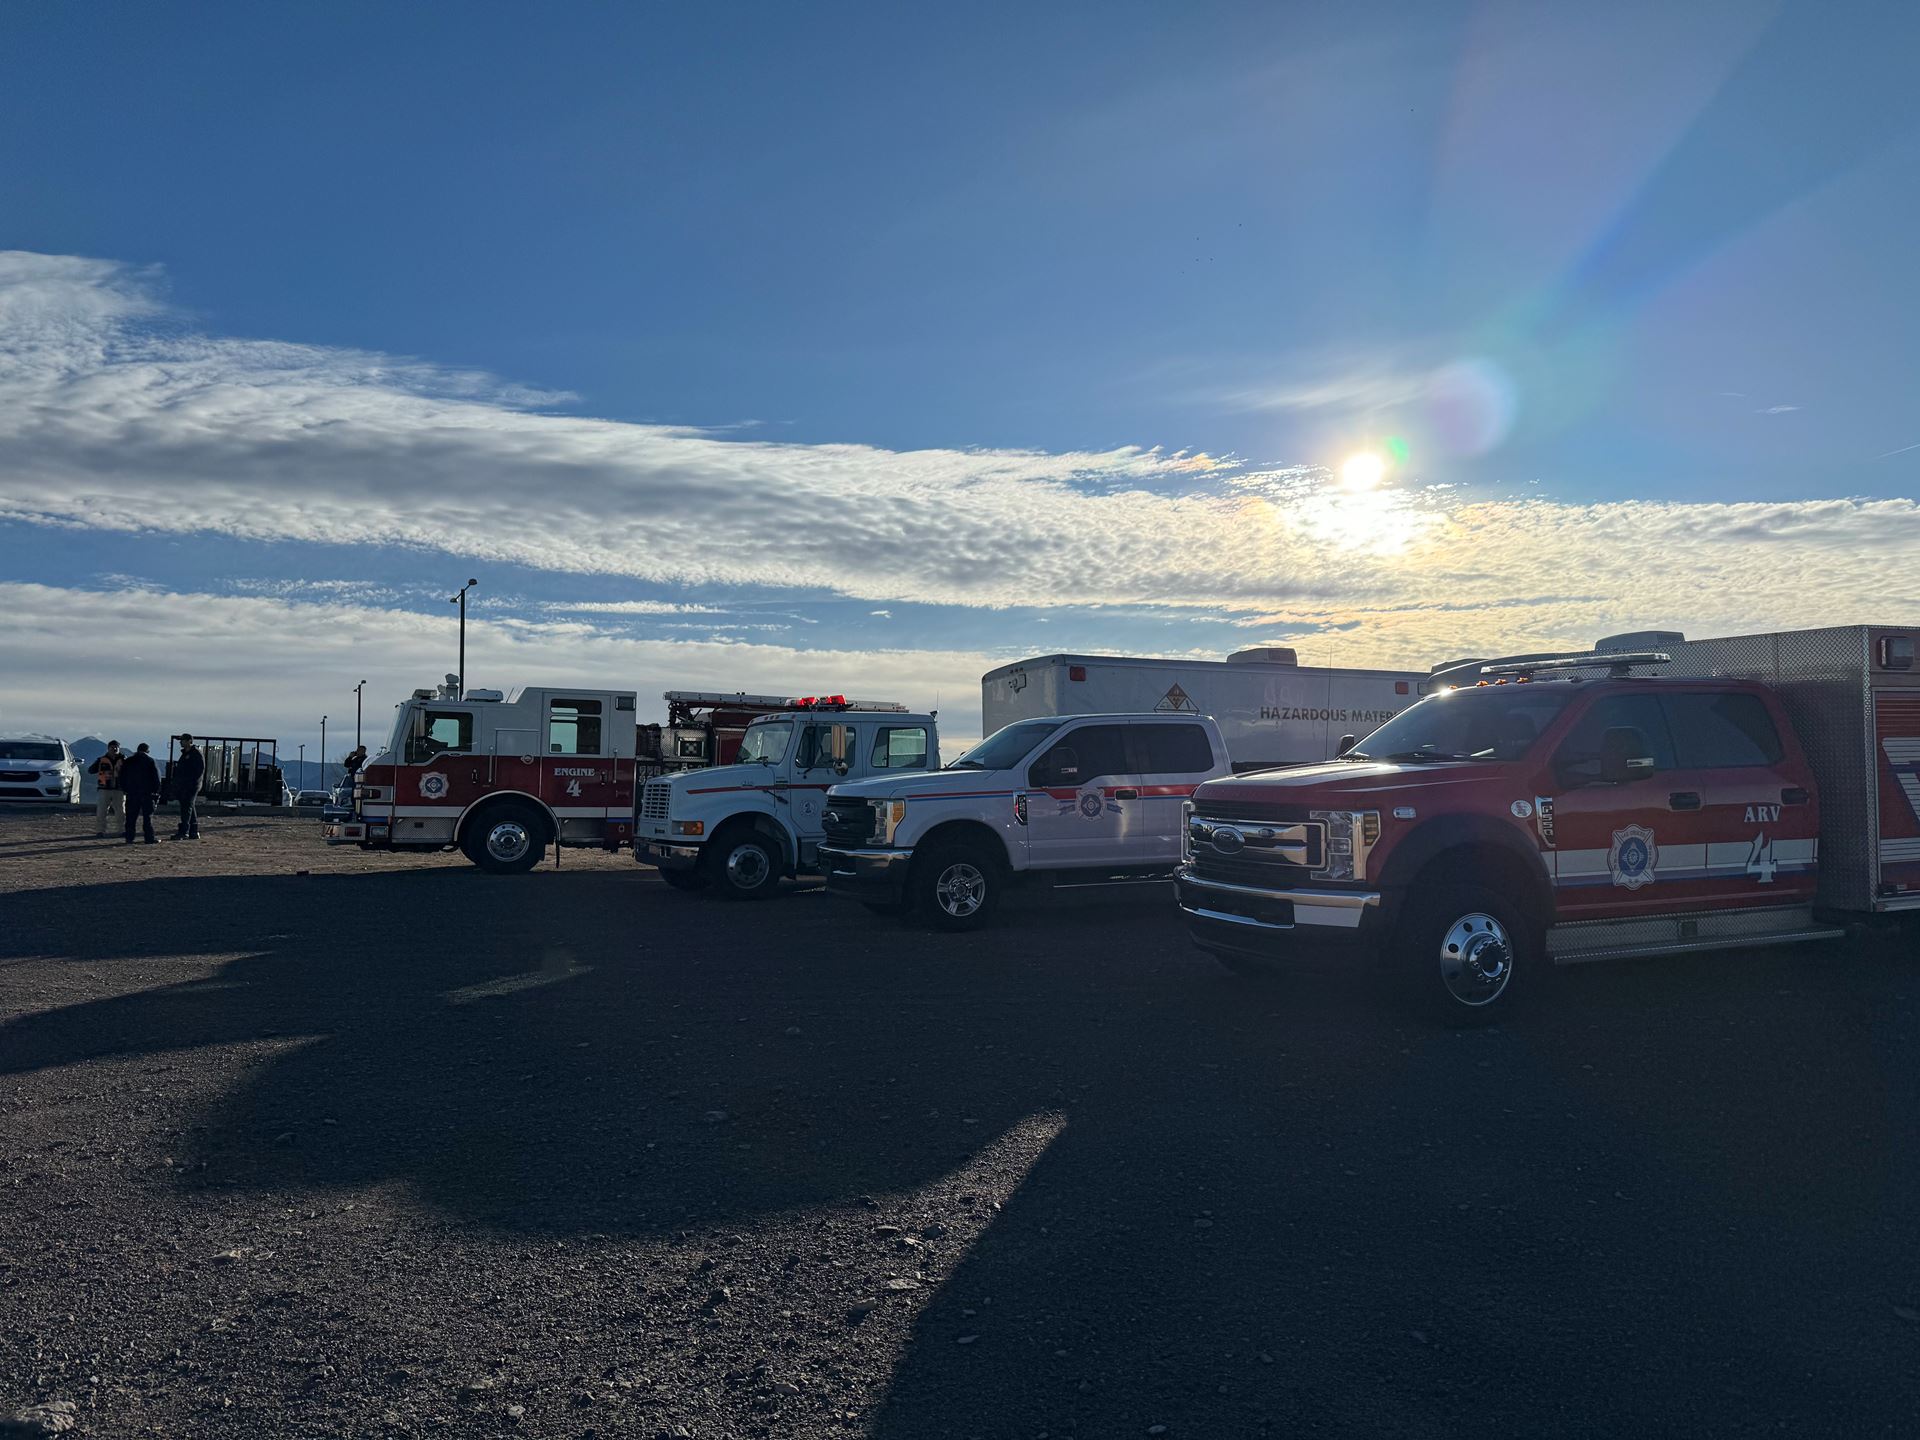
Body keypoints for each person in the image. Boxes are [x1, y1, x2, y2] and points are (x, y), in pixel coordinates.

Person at [119, 742, 161, 845]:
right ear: (148, 751)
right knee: (147, 817)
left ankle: (129, 838)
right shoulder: (150, 761)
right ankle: (149, 838)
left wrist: (125, 789)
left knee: (131, 818)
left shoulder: (129, 761)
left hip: (132, 793)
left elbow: (121, 776)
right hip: (147, 794)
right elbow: (157, 779)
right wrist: (156, 791)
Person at [172, 733, 206, 841]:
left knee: (186, 807)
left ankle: (184, 831)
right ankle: (193, 831)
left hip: (191, 786)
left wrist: (191, 783)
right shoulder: (185, 754)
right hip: (184, 785)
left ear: (189, 741)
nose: (181, 742)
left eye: (182, 740)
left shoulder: (196, 754)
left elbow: (199, 770)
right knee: (189, 806)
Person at [89, 740, 125, 837]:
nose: (114, 749)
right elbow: (91, 770)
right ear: (108, 748)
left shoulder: (124, 761)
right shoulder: (101, 760)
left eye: (116, 747)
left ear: (119, 748)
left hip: (119, 789)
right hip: (104, 789)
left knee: (120, 812)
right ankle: (100, 831)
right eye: (112, 747)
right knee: (101, 811)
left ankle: (122, 830)